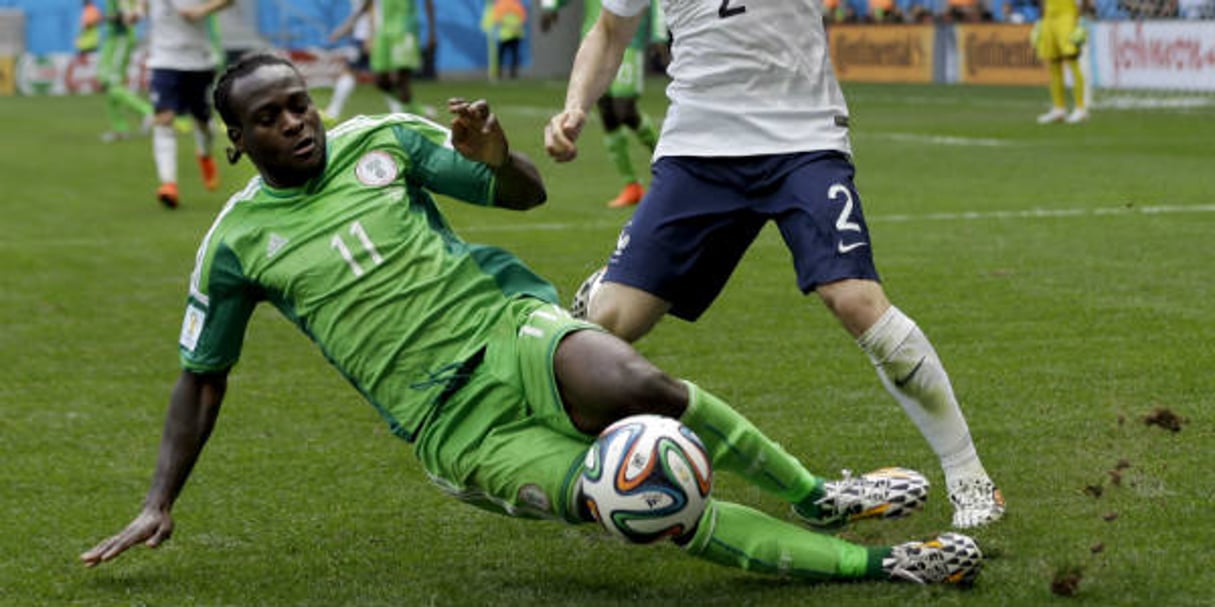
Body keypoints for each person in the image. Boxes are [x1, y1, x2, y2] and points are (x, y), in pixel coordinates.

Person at [79, 53, 984, 587]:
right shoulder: (234, 244)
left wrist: (497, 156)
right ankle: (882, 566)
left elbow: (522, 196)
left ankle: (815, 494)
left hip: (507, 329)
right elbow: (202, 375)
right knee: (639, 502)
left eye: (299, 105)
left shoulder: (381, 141)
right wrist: (159, 500)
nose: (296, 125)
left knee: (644, 386)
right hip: (448, 422)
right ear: (238, 140)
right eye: (269, 119)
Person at [545, 0, 1005, 529]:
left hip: (803, 140)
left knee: (855, 298)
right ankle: (605, 295)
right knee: (610, 322)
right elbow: (608, 32)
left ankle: (969, 477)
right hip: (699, 149)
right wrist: (575, 105)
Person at [540, 0, 664, 209]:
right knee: (607, 113)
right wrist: (550, 6)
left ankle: (665, 158)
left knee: (625, 109)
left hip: (629, 43)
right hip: (594, 43)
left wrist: (659, 34)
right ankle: (630, 185)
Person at [142, 0, 234, 209]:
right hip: (163, 60)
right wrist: (138, 11)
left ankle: (204, 154)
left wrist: (202, 10)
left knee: (203, 122)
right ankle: (169, 184)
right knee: (164, 119)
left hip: (198, 60)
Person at [330, 0, 436, 117]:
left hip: (405, 30)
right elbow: (367, 4)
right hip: (384, 31)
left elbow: (428, 3)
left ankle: (408, 116)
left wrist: (432, 33)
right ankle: (414, 109)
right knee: (380, 80)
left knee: (401, 80)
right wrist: (349, 24)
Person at [96, 0, 155, 143]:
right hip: (112, 39)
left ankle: (148, 112)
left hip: (120, 39)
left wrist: (105, 18)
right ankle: (119, 130)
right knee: (107, 83)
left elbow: (127, 16)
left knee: (112, 84)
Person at [1032, 0, 1089, 124]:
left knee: (1072, 60)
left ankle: (1081, 108)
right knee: (1053, 62)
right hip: (1049, 16)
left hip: (1067, 15)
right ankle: (1059, 109)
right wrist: (1041, 19)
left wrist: (1081, 18)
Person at [324, 0, 374, 121]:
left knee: (349, 72)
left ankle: (333, 112)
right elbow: (360, 12)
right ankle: (403, 110)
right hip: (363, 36)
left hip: (364, 37)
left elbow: (371, 9)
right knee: (383, 78)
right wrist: (344, 30)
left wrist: (370, 36)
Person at [486, 0, 527, 80]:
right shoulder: (517, 3)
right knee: (513, 54)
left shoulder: (500, 3)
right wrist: (516, 26)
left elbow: (497, 19)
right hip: (514, 33)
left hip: (506, 34)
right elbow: (523, 18)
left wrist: (509, 25)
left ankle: (500, 73)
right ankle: (512, 74)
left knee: (503, 55)